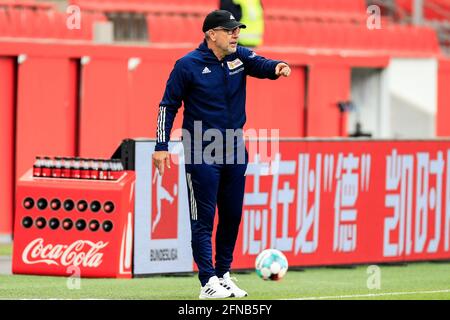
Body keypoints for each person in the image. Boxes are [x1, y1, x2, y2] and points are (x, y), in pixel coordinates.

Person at [152, 9, 290, 299]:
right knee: (203, 217)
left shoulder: (239, 56)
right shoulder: (186, 65)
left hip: (235, 147)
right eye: (229, 30)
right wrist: (161, 147)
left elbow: (261, 64)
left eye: (236, 29)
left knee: (232, 215)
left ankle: (223, 274)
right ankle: (207, 282)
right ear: (211, 34)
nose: (235, 34)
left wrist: (277, 67)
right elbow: (168, 106)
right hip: (201, 149)